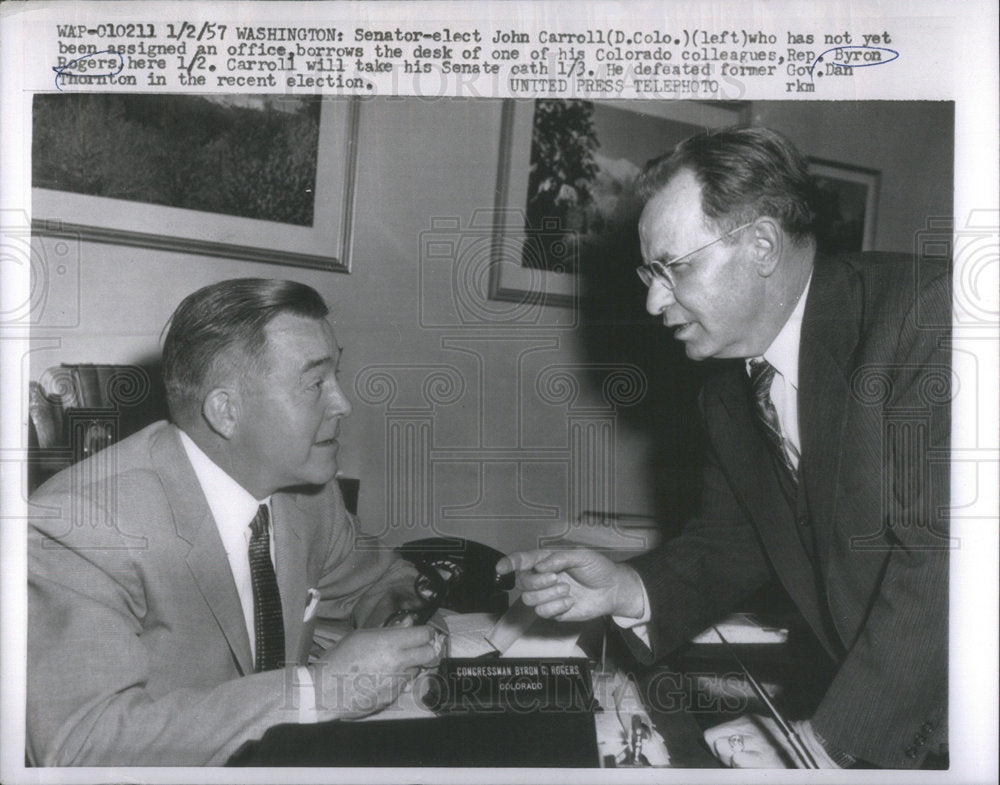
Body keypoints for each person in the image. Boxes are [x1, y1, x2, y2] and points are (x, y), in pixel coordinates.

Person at [498, 127, 950, 769]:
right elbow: (736, 540)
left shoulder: (927, 319)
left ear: (762, 244)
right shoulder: (728, 388)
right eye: (648, 274)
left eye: (675, 268)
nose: (655, 301)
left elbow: (946, 563)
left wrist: (819, 751)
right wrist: (628, 590)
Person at [27, 279, 439, 766]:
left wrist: (400, 629)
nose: (343, 402)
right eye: (315, 384)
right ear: (225, 411)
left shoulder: (308, 494)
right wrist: (321, 690)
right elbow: (79, 748)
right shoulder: (81, 525)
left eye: (337, 376)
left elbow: (384, 583)